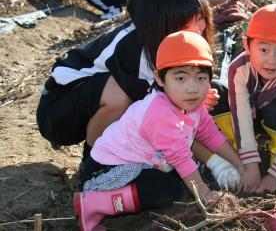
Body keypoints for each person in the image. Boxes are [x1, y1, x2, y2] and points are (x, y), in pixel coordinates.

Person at [36, 0, 238, 187]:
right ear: (162, 23)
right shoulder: (132, 48)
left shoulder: (178, 42)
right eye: (189, 24)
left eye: (201, 20)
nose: (198, 30)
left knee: (205, 91)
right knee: (123, 97)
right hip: (59, 112)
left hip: (99, 101)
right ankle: (94, 167)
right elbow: (164, 116)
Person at [74, 31, 244, 231]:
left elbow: (210, 134)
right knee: (167, 190)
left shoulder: (191, 104)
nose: (192, 88)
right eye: (180, 78)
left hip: (143, 162)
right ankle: (94, 203)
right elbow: (181, 157)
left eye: (201, 78)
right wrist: (205, 194)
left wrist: (241, 166)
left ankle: (110, 200)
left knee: (180, 181)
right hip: (107, 169)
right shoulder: (159, 113)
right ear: (161, 79)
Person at [206, 4, 276, 193]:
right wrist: (250, 164)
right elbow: (241, 114)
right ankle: (234, 154)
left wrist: (274, 175)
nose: (271, 60)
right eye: (263, 50)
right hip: (250, 118)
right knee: (216, 90)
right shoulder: (238, 69)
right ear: (247, 45)